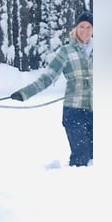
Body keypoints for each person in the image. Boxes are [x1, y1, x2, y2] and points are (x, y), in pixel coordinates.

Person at [10, 11, 93, 167]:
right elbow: (48, 77)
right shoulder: (66, 51)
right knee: (81, 157)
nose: (85, 30)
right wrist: (24, 93)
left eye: (89, 27)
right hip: (74, 111)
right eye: (82, 26)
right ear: (75, 28)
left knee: (95, 158)